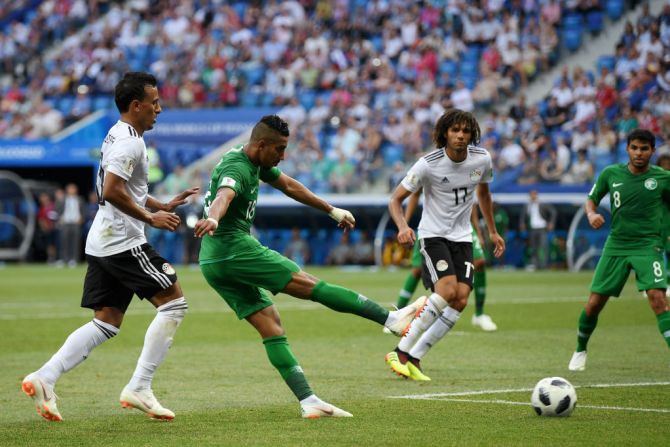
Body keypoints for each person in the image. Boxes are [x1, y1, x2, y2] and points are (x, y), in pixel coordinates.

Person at [193, 114, 422, 418]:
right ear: (261, 145)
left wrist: (331, 210)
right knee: (311, 285)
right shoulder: (237, 167)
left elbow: (288, 185)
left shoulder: (253, 160)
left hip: (213, 260)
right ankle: (389, 318)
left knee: (271, 325)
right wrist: (213, 217)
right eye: (279, 149)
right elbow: (225, 194)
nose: (283, 156)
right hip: (233, 248)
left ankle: (308, 401)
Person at [22, 72, 198, 422]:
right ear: (137, 105)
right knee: (174, 303)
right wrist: (151, 218)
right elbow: (112, 190)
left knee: (107, 320)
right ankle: (140, 386)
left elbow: (121, 185)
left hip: (103, 240)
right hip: (123, 240)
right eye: (154, 103)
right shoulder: (130, 142)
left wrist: (159, 204)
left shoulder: (119, 133)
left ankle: (45, 377)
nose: (159, 109)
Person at [384, 109, 505, 381]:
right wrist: (403, 226)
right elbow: (395, 199)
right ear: (444, 134)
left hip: (462, 237)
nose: (461, 136)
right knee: (447, 290)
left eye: (465, 131)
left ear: (472, 134)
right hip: (433, 236)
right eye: (455, 131)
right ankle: (400, 352)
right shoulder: (428, 163)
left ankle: (415, 357)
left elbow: (484, 195)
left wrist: (493, 231)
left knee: (460, 299)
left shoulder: (482, 159)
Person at [568, 129, 670, 372]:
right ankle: (580, 349)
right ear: (627, 149)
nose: (639, 153)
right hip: (617, 245)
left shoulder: (663, 178)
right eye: (634, 147)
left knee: (658, 299)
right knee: (594, 303)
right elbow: (591, 199)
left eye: (644, 149)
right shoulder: (610, 173)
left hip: (648, 246)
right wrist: (592, 213)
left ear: (652, 151)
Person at [393, 191, 498, 331]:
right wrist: (403, 225)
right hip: (434, 226)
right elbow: (414, 194)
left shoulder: (469, 170)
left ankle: (479, 314)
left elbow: (470, 200)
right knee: (418, 270)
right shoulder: (427, 169)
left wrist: (478, 231)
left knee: (479, 262)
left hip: (462, 226)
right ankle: (398, 314)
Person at [519, 190, 557, 270]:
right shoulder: (527, 205)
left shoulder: (542, 204)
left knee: (543, 246)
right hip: (532, 229)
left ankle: (544, 265)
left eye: (534, 195)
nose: (533, 196)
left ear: (536, 195)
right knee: (533, 248)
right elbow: (523, 216)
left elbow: (553, 211)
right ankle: (535, 264)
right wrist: (522, 223)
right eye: (531, 195)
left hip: (542, 228)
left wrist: (551, 222)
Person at [55, 183, 86, 267]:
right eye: (70, 189)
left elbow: (84, 211)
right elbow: (57, 210)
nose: (72, 190)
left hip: (76, 223)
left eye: (73, 189)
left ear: (76, 190)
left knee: (75, 242)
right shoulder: (62, 200)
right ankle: (63, 259)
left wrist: (82, 219)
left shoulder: (80, 199)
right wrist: (59, 219)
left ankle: (73, 260)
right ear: (67, 190)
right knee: (64, 242)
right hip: (65, 223)